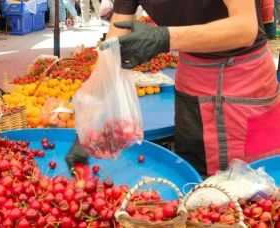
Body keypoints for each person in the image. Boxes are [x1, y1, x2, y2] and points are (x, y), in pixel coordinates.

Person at [67, 0, 280, 177]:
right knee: (194, 179)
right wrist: (88, 126)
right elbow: (113, 49)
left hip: (244, 83)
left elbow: (245, 28)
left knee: (252, 188)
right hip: (192, 81)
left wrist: (165, 37)